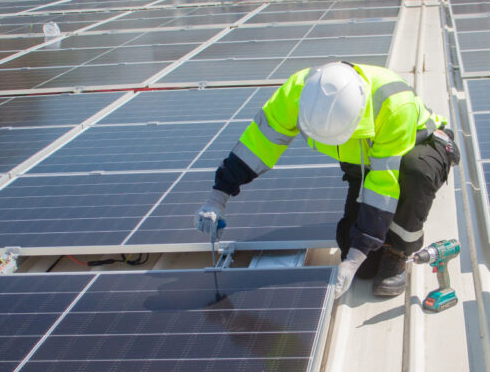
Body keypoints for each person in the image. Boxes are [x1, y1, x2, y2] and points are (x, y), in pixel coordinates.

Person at [194, 62, 459, 298]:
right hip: (363, 159)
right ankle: (374, 244)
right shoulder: (297, 93)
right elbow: (258, 145)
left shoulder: (394, 106)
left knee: (415, 172)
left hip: (419, 145)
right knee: (362, 266)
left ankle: (398, 252)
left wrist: (356, 256)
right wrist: (218, 197)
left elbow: (383, 184)